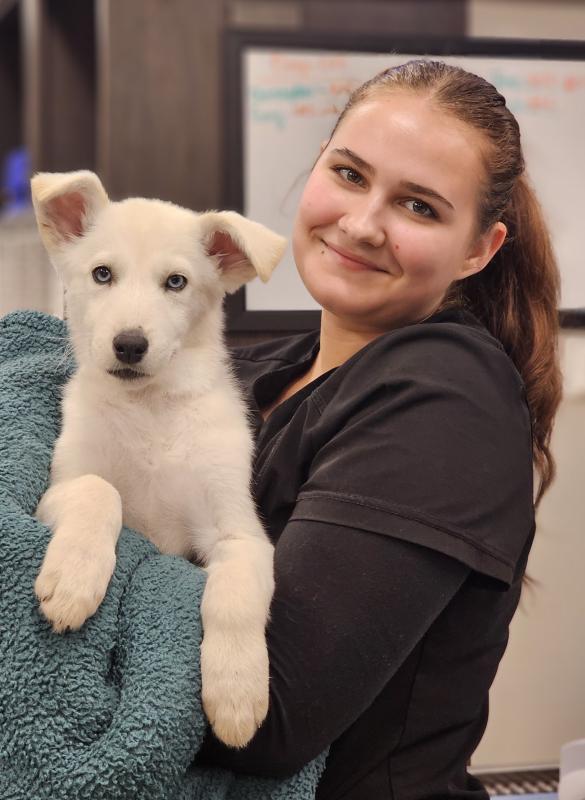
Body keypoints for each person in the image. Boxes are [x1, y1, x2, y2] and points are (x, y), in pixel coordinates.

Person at [196, 59, 562, 799]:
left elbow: (265, 715)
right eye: (349, 174)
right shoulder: (255, 373)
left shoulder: (444, 397)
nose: (361, 225)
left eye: (419, 207)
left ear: (478, 250)